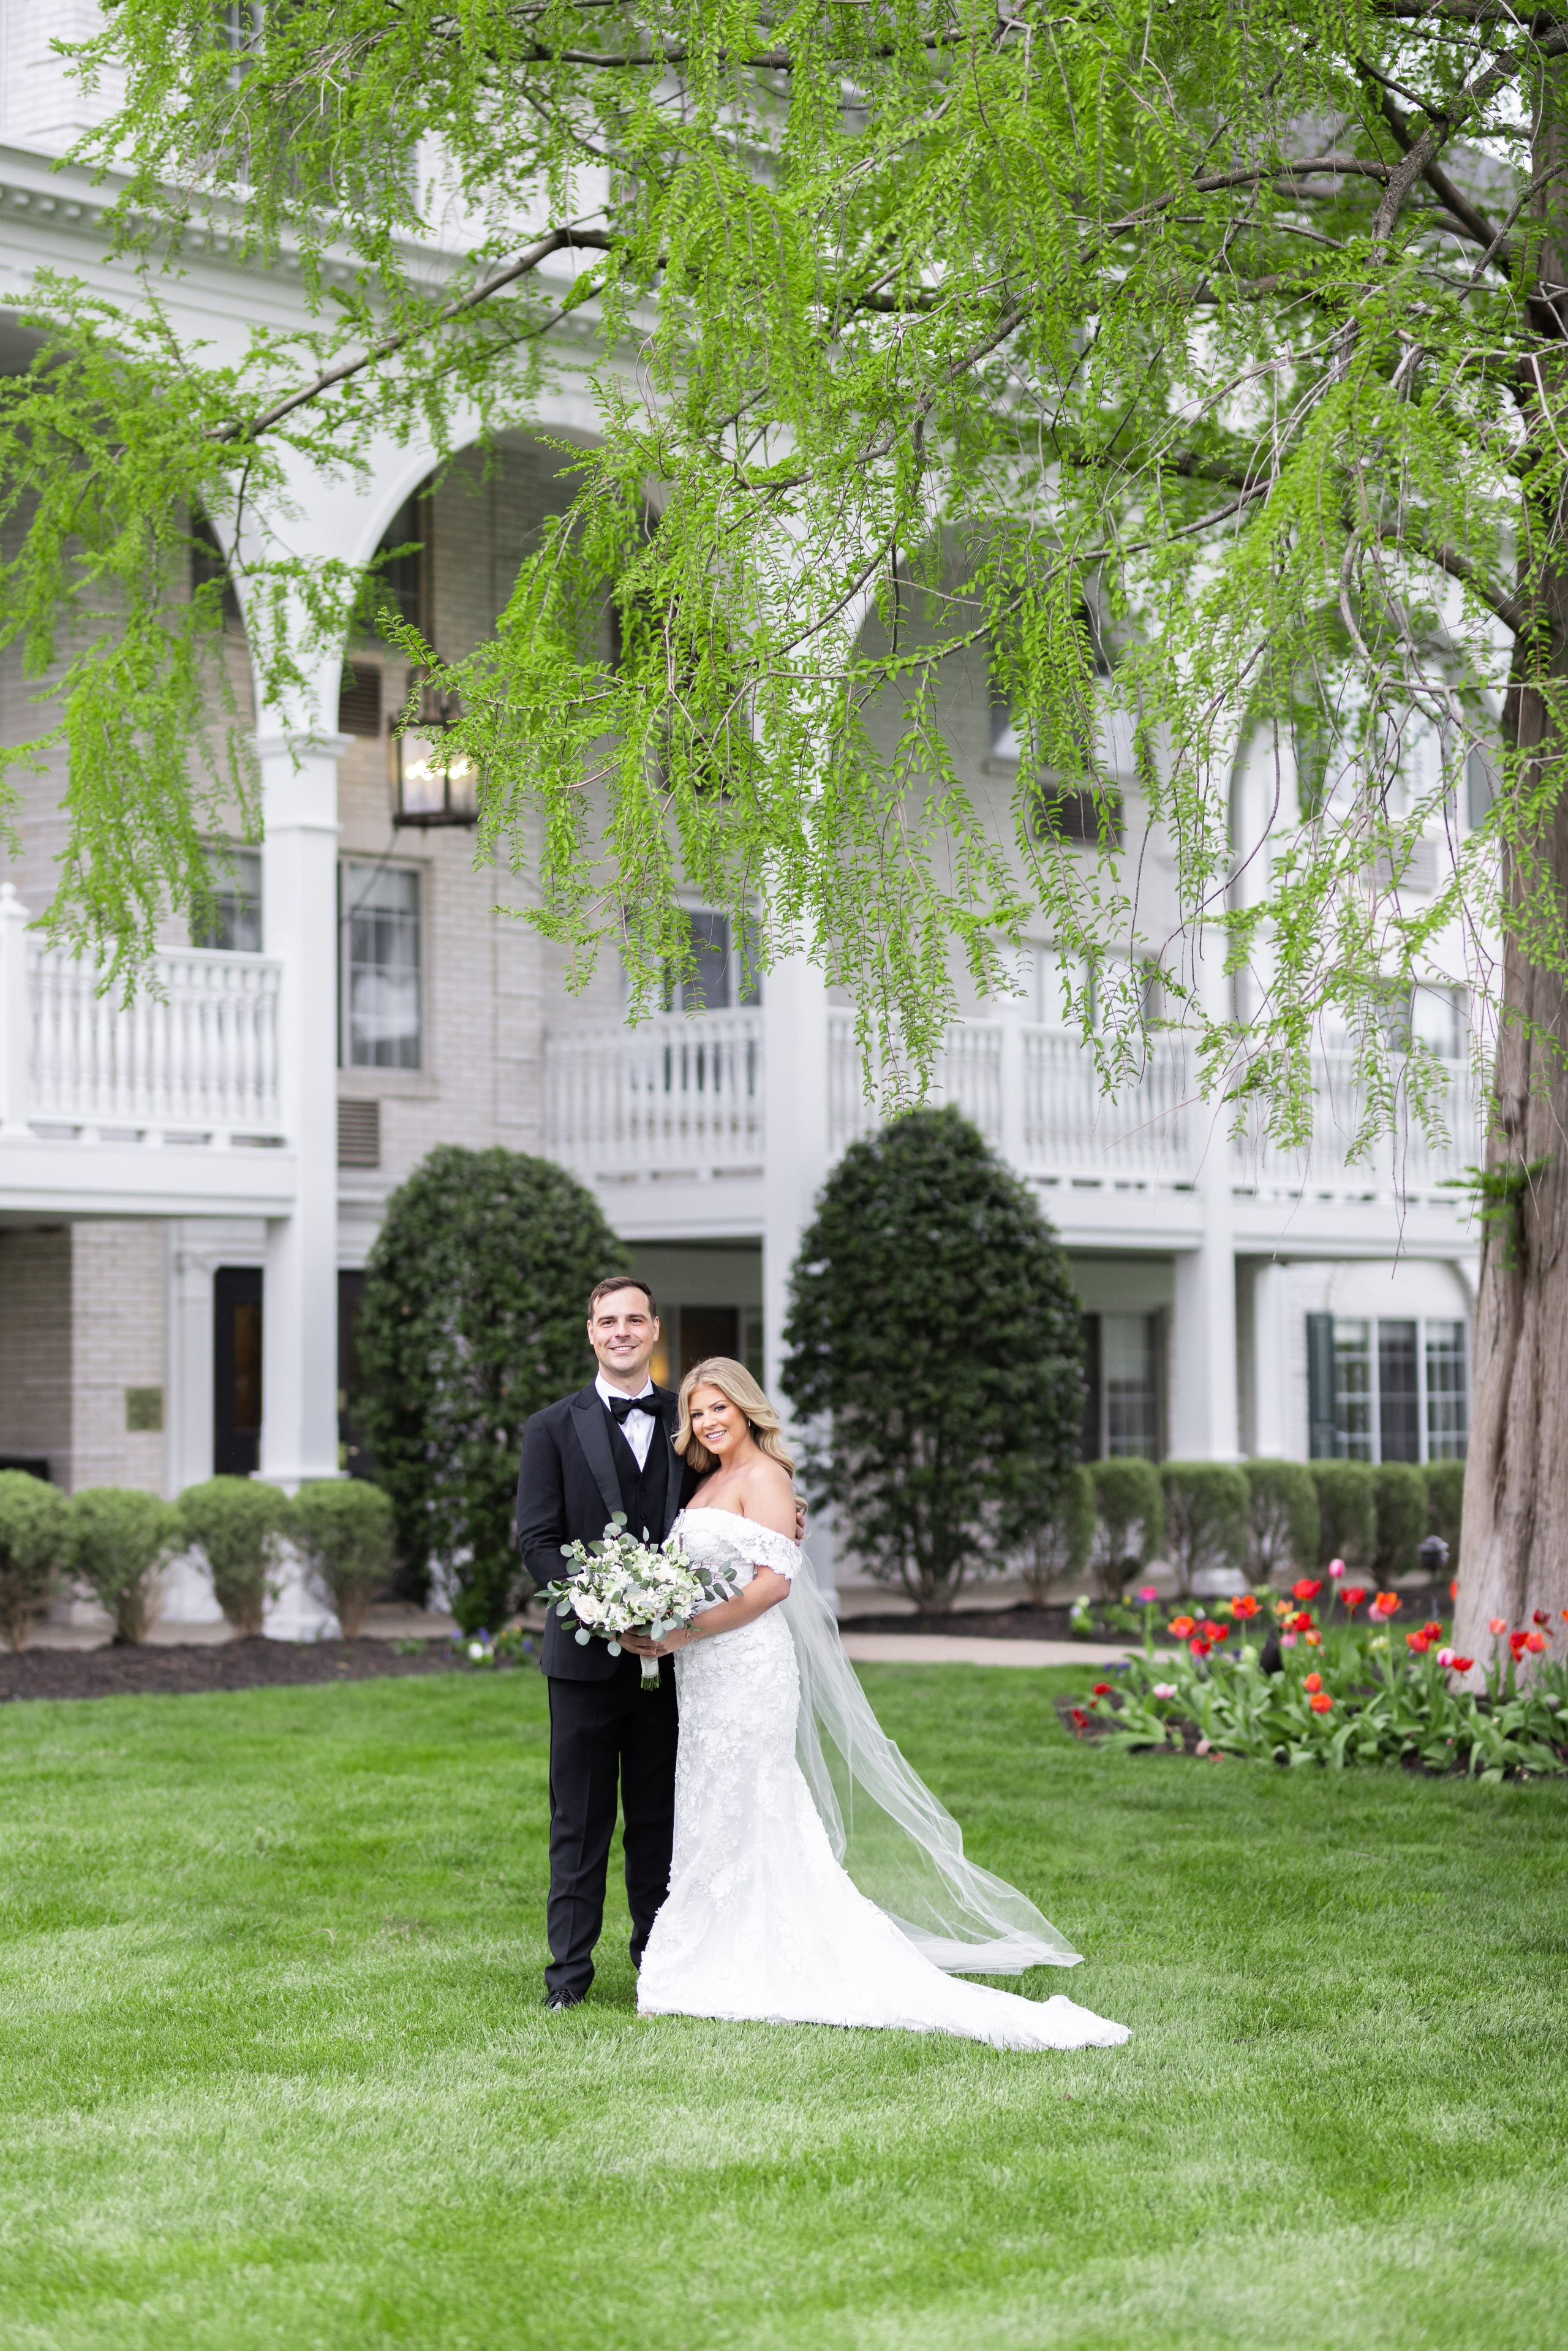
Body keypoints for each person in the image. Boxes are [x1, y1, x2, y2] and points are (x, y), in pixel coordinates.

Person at [625, 1357, 1129, 2052]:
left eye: (720, 1408)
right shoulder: (706, 1479)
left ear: (746, 1408)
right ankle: (706, 1956)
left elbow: (773, 1585)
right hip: (704, 1673)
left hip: (747, 1667)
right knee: (711, 1801)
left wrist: (681, 1631)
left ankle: (727, 1963)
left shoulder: (768, 1477)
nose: (708, 1422)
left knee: (756, 1799)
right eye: (698, 1412)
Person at [514, 1280, 802, 2008]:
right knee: (577, 1820)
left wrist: (788, 1516)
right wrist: (596, 1607)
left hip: (679, 1664)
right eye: (607, 1321)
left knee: (659, 1820)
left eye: (633, 1320)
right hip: (582, 1659)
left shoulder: (690, 1424)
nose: (621, 1331)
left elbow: (742, 1498)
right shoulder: (549, 1428)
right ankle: (567, 1977)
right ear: (590, 1333)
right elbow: (537, 1540)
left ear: (653, 1330)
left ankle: (658, 1964)